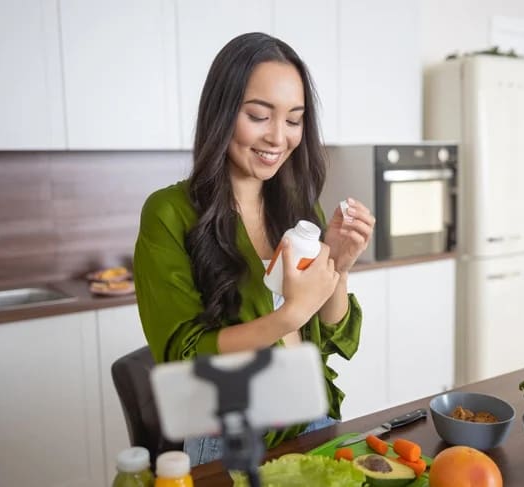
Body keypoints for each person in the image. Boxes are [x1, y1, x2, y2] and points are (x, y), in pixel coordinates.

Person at [133, 32, 375, 466]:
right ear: (222, 112)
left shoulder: (297, 204)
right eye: (259, 115)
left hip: (313, 420)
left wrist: (338, 264)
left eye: (294, 120)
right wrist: (289, 315)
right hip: (229, 439)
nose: (278, 138)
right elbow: (181, 355)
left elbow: (335, 335)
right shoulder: (169, 212)